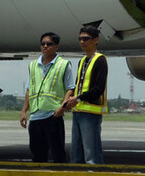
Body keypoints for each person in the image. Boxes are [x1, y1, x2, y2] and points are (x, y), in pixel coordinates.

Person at [20, 32, 75, 163]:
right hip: (35, 116)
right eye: (43, 44)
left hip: (53, 116)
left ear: (56, 46)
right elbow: (29, 90)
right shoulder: (33, 65)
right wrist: (24, 111)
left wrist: (62, 108)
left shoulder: (63, 65)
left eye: (49, 44)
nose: (45, 46)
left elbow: (70, 88)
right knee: (37, 156)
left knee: (58, 155)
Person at [62, 25, 108, 164]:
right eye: (80, 39)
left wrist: (78, 99)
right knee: (76, 152)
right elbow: (78, 86)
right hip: (78, 111)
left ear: (96, 40)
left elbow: (98, 89)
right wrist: (70, 99)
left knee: (91, 153)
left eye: (86, 39)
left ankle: (94, 175)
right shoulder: (82, 61)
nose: (82, 42)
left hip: (91, 112)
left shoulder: (100, 60)